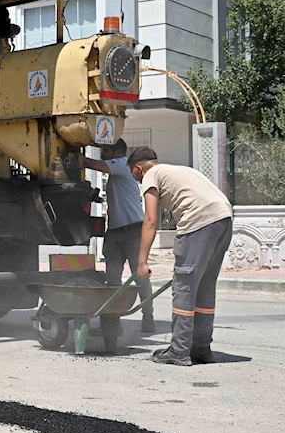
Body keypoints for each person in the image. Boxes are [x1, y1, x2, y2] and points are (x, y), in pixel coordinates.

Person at [129, 147, 233, 366]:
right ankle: (201, 348)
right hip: (224, 218)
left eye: (135, 176)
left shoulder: (151, 175)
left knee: (184, 287)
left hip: (199, 221)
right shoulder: (178, 170)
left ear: (139, 169)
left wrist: (141, 262)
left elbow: (150, 220)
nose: (139, 182)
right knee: (204, 286)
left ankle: (179, 350)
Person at [80, 139, 155, 333]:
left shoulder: (121, 164)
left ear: (116, 152)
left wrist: (70, 156)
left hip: (133, 231)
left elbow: (88, 163)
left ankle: (148, 317)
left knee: (140, 276)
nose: (102, 153)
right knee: (113, 279)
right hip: (114, 233)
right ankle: (114, 323)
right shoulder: (116, 173)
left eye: (105, 149)